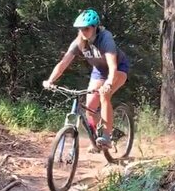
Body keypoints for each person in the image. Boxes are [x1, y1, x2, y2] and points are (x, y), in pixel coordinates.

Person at [42, 9, 130, 149]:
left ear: (95, 27)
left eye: (86, 28)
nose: (83, 32)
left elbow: (112, 65)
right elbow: (63, 63)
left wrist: (108, 82)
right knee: (89, 109)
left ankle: (106, 136)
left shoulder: (105, 38)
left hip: (118, 69)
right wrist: (50, 80)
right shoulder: (79, 42)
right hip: (99, 71)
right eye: (80, 29)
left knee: (104, 94)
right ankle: (97, 138)